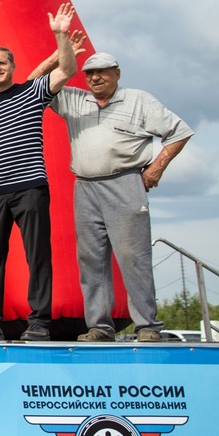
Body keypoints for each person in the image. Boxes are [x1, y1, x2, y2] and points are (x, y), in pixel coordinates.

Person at [52, 52, 193, 342]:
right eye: (89, 73)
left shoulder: (138, 100)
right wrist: (61, 53)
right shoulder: (75, 99)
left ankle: (147, 326)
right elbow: (34, 85)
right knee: (91, 260)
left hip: (125, 181)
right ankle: (99, 327)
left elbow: (178, 132)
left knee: (133, 256)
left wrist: (156, 169)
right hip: (85, 186)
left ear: (117, 73)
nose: (95, 78)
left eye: (102, 71)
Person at [0, 3, 78, 341]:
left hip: (29, 186)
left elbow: (67, 69)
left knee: (37, 255)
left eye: (2, 62)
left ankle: (39, 322)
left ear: (12, 66)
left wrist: (61, 36)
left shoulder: (32, 91)